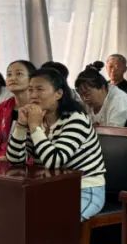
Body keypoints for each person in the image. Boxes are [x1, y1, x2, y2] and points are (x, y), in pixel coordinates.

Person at [7, 67, 106, 220]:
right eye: (30, 90)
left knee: (54, 221)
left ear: (58, 93)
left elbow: (54, 161)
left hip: (84, 188)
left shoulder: (76, 119)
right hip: (48, 189)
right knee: (10, 215)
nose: (33, 95)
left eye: (40, 89)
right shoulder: (36, 118)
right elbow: (15, 160)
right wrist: (20, 125)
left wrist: (35, 127)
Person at [0, 59, 37, 161]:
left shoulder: (39, 107)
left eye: (19, 74)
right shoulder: (3, 107)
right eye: (9, 75)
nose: (12, 78)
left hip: (26, 164)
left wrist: (9, 159)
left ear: (32, 79)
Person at [74, 62, 127, 127]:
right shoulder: (86, 102)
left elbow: (114, 132)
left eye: (87, 94)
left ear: (102, 88)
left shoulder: (119, 101)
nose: (84, 99)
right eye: (81, 95)